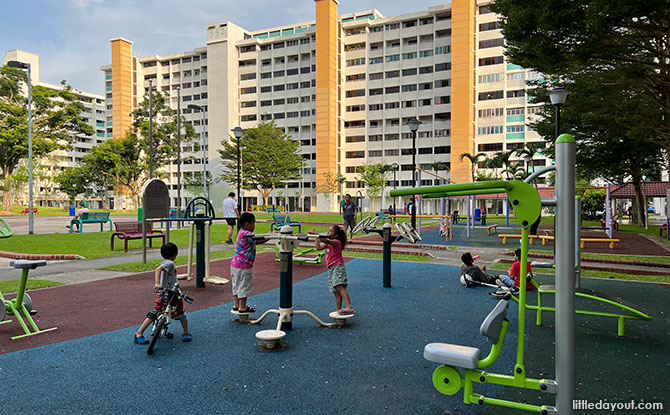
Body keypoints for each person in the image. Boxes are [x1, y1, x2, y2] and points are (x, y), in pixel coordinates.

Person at [134, 242, 191, 345]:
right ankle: (186, 332)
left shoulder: (166, 262)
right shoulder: (170, 263)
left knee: (156, 312)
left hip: (165, 292)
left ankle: (139, 333)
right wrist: (157, 283)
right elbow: (158, 270)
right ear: (176, 253)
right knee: (181, 313)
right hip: (172, 293)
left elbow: (169, 276)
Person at [230, 212, 269, 313]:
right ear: (247, 224)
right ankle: (243, 307)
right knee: (244, 285)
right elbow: (258, 240)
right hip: (243, 265)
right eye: (253, 223)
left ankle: (236, 304)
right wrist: (269, 236)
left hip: (235, 264)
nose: (254, 225)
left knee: (236, 284)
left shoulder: (241, 232)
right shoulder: (247, 234)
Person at [314, 225, 354, 315]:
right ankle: (338, 309)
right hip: (332, 268)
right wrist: (316, 238)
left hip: (338, 267)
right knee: (335, 290)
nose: (328, 233)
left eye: (330, 231)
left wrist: (317, 235)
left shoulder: (337, 242)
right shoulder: (329, 243)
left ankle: (349, 306)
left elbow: (326, 240)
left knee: (339, 286)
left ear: (336, 235)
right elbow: (318, 248)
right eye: (328, 231)